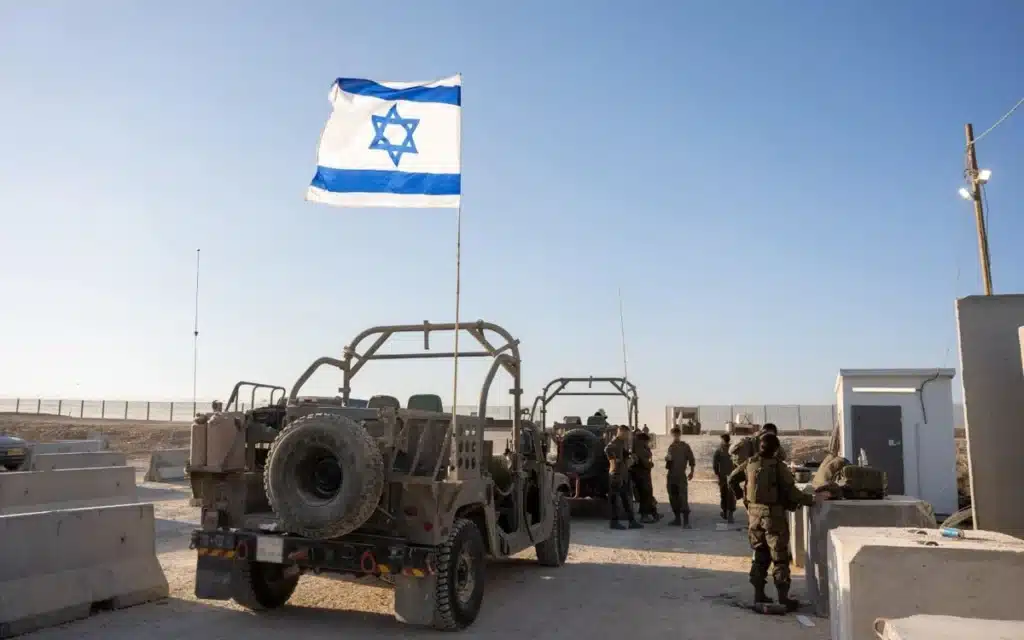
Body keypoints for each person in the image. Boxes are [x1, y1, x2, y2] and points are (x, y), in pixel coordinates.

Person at [728, 433, 826, 610]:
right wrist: (812, 500)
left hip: (754, 517)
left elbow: (732, 479)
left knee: (760, 554)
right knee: (779, 557)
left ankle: (759, 594)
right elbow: (792, 493)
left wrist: (742, 498)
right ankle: (783, 598)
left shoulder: (750, 463)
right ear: (775, 449)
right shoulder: (778, 466)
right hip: (773, 517)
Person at [605, 424, 643, 530]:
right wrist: (613, 460)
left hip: (622, 475)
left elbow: (623, 453)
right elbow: (607, 449)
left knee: (626, 499)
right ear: (621, 432)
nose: (627, 436)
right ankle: (614, 523)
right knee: (614, 501)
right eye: (626, 434)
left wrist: (629, 455)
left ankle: (632, 521)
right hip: (616, 475)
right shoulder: (614, 443)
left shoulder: (621, 443)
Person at [665, 427, 696, 527]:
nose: (675, 437)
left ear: (680, 435)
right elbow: (669, 464)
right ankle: (677, 519)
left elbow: (691, 459)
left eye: (677, 435)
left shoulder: (685, 446)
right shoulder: (671, 447)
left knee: (683, 497)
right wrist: (667, 460)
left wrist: (692, 472)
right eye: (674, 435)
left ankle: (686, 522)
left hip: (681, 475)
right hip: (671, 475)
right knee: (673, 497)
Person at [630, 431, 660, 523]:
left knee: (647, 495)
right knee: (645, 494)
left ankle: (653, 514)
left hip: (641, 473)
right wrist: (650, 464)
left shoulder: (638, 445)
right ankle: (644, 516)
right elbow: (644, 461)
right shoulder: (640, 446)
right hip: (641, 474)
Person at [712, 433, 736, 523]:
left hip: (723, 476)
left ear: (722, 440)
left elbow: (715, 464)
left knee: (724, 494)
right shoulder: (734, 449)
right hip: (732, 475)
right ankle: (730, 514)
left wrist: (717, 473)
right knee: (731, 494)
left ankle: (725, 513)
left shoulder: (719, 450)